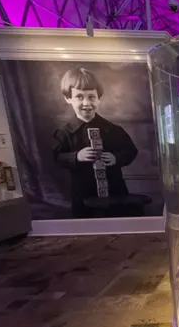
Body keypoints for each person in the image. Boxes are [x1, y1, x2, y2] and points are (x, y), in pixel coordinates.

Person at [52, 67, 138, 218]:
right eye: (79, 97)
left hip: (114, 189)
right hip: (84, 190)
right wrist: (76, 156)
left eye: (91, 97)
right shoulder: (64, 132)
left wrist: (116, 158)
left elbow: (131, 151)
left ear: (99, 98)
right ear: (68, 99)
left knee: (117, 220)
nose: (86, 103)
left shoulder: (113, 130)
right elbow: (57, 157)